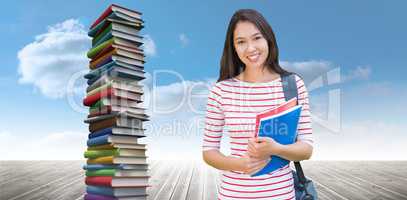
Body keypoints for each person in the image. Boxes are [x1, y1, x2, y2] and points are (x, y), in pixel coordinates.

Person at [202, 9, 314, 200]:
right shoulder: (221, 91)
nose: (250, 48)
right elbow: (208, 151)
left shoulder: (293, 85)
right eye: (241, 42)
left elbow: (306, 149)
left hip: (282, 195)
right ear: (233, 48)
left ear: (268, 39)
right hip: (232, 195)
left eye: (256, 38)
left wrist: (276, 149)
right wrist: (237, 165)